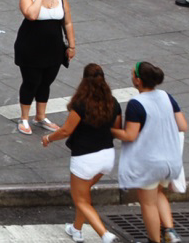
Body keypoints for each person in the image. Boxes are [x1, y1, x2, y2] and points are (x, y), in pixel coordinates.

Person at [38, 63, 120, 243]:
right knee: (84, 194)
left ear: (84, 80)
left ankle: (106, 236)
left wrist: (48, 138)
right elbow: (117, 128)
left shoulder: (81, 104)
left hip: (85, 158)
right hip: (107, 157)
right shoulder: (113, 103)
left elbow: (66, 130)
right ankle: (77, 229)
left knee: (81, 200)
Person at [113, 62, 187, 243]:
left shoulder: (136, 104)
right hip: (171, 160)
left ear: (138, 80)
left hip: (149, 164)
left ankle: (155, 240)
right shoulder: (166, 96)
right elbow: (182, 125)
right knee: (159, 193)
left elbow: (130, 135)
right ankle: (170, 231)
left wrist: (110, 130)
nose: (131, 76)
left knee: (148, 203)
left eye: (132, 74)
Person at [12, 0, 76, 135]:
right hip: (30, 48)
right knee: (31, 82)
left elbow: (67, 22)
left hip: (53, 48)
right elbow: (31, 15)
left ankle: (40, 116)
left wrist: (71, 45)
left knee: (46, 82)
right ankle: (24, 118)